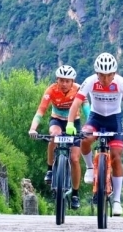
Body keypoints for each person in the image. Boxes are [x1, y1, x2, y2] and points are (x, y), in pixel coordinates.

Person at [66, 52, 123, 217]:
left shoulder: (121, 82)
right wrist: (69, 123)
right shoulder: (90, 81)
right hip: (95, 118)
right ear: (97, 73)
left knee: (116, 157)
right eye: (101, 75)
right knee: (84, 138)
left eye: (109, 75)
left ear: (114, 73)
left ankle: (116, 201)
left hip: (114, 119)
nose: (105, 79)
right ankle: (90, 167)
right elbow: (76, 103)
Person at [28, 65, 87, 209]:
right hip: (57, 120)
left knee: (74, 159)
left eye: (67, 81)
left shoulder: (79, 89)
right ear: (57, 80)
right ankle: (50, 169)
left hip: (74, 122)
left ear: (72, 81)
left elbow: (87, 109)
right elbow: (41, 111)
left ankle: (75, 194)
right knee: (54, 135)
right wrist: (33, 129)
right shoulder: (51, 90)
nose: (64, 84)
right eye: (61, 80)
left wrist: (90, 127)